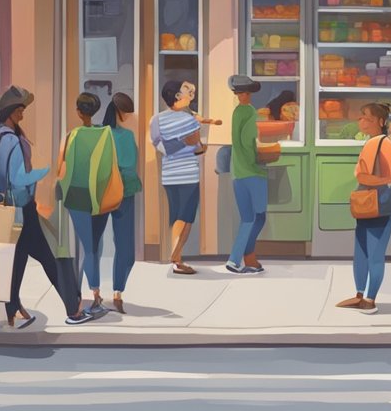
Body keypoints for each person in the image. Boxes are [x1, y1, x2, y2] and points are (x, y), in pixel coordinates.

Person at [0, 86, 89, 327]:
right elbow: (18, 179)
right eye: (20, 110)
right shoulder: (13, 141)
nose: (23, 114)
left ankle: (12, 306)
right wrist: (41, 173)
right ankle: (74, 309)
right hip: (21, 209)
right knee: (50, 257)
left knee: (17, 257)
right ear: (11, 112)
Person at [338, 103, 391, 313]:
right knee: (361, 251)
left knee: (374, 252)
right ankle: (360, 294)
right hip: (367, 200)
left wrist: (367, 178)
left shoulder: (383, 143)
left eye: (366, 117)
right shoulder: (370, 142)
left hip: (378, 200)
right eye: (361, 116)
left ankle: (370, 299)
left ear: (381, 122)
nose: (361, 120)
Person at [58, 92, 118, 316]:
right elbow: (110, 165)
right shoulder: (106, 134)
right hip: (100, 196)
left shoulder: (72, 135)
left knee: (85, 247)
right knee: (94, 245)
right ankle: (95, 295)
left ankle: (88, 294)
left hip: (77, 197)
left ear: (78, 111)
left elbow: (64, 168)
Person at [150, 80, 215, 275]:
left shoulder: (156, 120)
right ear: (177, 96)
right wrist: (191, 145)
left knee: (175, 216)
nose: (192, 93)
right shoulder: (189, 120)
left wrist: (183, 144)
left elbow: (159, 147)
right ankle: (176, 255)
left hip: (169, 175)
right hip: (187, 174)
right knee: (186, 217)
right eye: (188, 91)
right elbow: (195, 146)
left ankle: (176, 257)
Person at [100, 92, 140, 313]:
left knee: (95, 244)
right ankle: (117, 291)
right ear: (120, 112)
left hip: (102, 192)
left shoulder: (100, 134)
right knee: (125, 245)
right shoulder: (126, 136)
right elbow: (130, 164)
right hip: (124, 192)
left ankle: (95, 291)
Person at [227, 75, 268, 275]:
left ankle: (246, 259)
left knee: (247, 217)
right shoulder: (250, 112)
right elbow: (248, 140)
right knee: (258, 217)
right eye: (244, 93)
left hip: (238, 172)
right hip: (252, 172)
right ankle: (237, 258)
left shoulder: (237, 112)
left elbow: (237, 141)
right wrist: (258, 161)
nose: (244, 96)